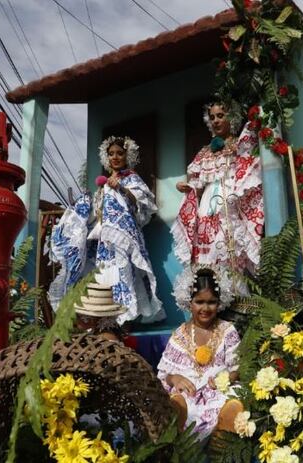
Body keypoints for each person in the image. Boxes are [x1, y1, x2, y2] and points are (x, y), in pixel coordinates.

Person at [49, 136, 164, 324]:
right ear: (106, 157)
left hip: (124, 236)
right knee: (105, 277)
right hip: (104, 241)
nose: (115, 157)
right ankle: (109, 321)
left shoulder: (132, 179)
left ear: (128, 156)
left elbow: (142, 204)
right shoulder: (104, 185)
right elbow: (98, 212)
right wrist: (83, 208)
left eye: (120, 153)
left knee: (124, 272)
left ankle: (126, 320)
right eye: (111, 154)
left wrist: (122, 189)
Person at [172, 102, 264, 292]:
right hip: (207, 207)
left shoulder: (240, 145)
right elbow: (197, 185)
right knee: (208, 254)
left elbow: (247, 174)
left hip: (230, 203)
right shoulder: (204, 152)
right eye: (212, 117)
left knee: (230, 250)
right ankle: (211, 299)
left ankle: (235, 300)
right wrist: (187, 188)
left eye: (220, 115)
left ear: (232, 118)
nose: (216, 120)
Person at [158, 267, 242, 438]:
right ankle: (179, 423)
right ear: (189, 303)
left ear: (219, 304)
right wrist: (175, 378)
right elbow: (163, 375)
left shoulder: (227, 331)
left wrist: (226, 379)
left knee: (232, 398)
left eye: (211, 302)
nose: (205, 308)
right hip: (188, 394)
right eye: (199, 302)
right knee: (176, 400)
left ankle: (221, 435)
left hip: (219, 391)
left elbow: (238, 368)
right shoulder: (180, 335)